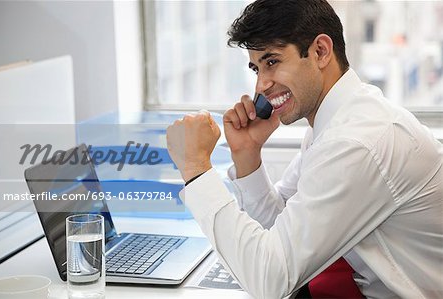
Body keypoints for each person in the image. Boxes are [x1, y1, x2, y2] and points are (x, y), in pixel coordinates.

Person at [165, 0, 443, 298]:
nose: (261, 85)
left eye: (272, 62)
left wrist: (195, 168)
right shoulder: (335, 122)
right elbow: (281, 230)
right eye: (256, 67)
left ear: (320, 51)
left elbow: (271, 280)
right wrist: (248, 155)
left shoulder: (356, 142)